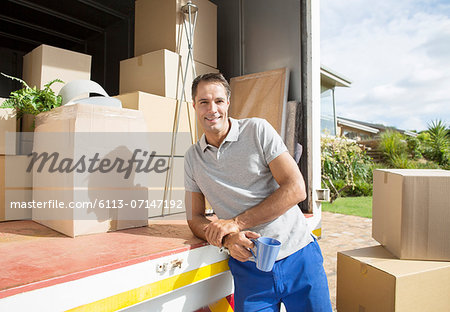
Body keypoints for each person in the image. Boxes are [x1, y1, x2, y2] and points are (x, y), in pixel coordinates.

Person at [184, 73, 332, 312]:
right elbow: (195, 218)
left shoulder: (257, 130)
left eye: (219, 101)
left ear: (228, 104)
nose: (212, 109)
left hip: (299, 256)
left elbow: (296, 188)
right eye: (204, 102)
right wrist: (228, 237)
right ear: (194, 106)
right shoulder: (192, 158)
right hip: (250, 270)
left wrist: (236, 222)